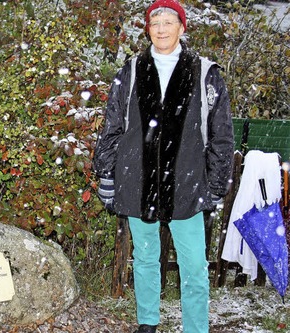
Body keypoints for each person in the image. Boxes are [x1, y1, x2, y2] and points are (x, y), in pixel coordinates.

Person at [93, 1, 234, 332]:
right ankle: (147, 323)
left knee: (195, 267)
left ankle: (195, 327)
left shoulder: (205, 73)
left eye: (168, 22)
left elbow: (221, 135)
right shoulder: (130, 71)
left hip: (187, 185)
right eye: (155, 23)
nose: (161, 28)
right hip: (137, 181)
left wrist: (216, 183)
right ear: (148, 29)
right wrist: (107, 174)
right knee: (143, 258)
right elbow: (112, 126)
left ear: (181, 28)